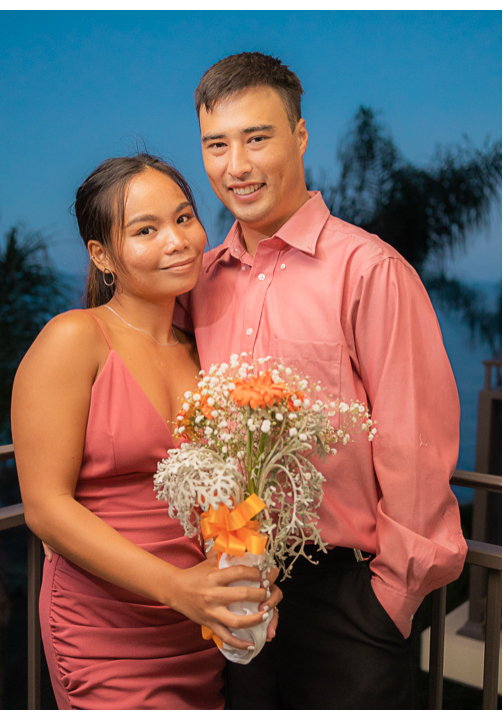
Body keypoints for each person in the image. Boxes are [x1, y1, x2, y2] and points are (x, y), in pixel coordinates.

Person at [178, 51, 467, 709]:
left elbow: (412, 442)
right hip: (236, 589)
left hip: (348, 600)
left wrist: (389, 600)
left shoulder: (370, 270)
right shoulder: (199, 281)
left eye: (257, 137)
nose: (236, 165)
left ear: (300, 137)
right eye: (216, 144)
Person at [11, 154, 281, 710]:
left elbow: (225, 496)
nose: (177, 241)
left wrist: (249, 573)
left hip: (197, 625)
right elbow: (45, 508)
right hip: (106, 624)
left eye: (184, 219)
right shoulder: (73, 340)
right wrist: (178, 588)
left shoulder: (204, 351)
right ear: (101, 255)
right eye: (146, 230)